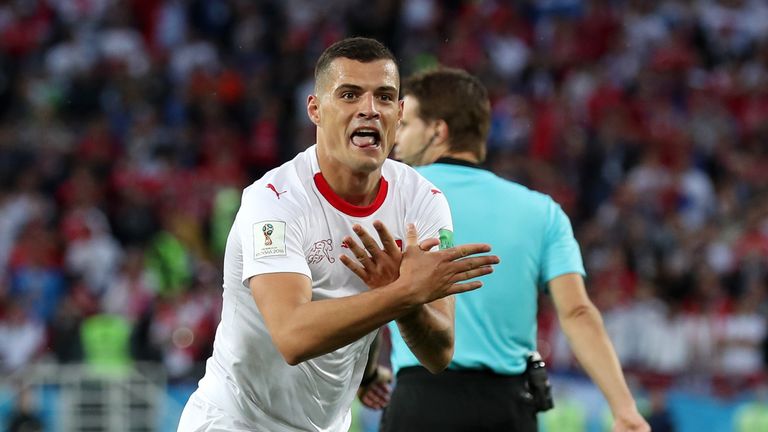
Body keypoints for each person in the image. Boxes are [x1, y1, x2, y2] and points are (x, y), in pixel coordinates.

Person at [176, 38, 499, 432]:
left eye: (384, 97)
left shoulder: (424, 203)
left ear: (399, 115)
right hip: (235, 422)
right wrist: (402, 293)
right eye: (349, 95)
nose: (369, 109)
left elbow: (439, 352)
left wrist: (403, 309)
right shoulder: (274, 202)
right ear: (315, 109)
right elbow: (292, 335)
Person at [354, 67, 650, 432]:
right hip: (508, 409)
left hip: (420, 404)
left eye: (407, 123)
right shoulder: (542, 211)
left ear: (438, 131)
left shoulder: (387, 198)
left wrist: (366, 375)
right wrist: (624, 408)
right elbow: (577, 313)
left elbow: (364, 300)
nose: (394, 136)